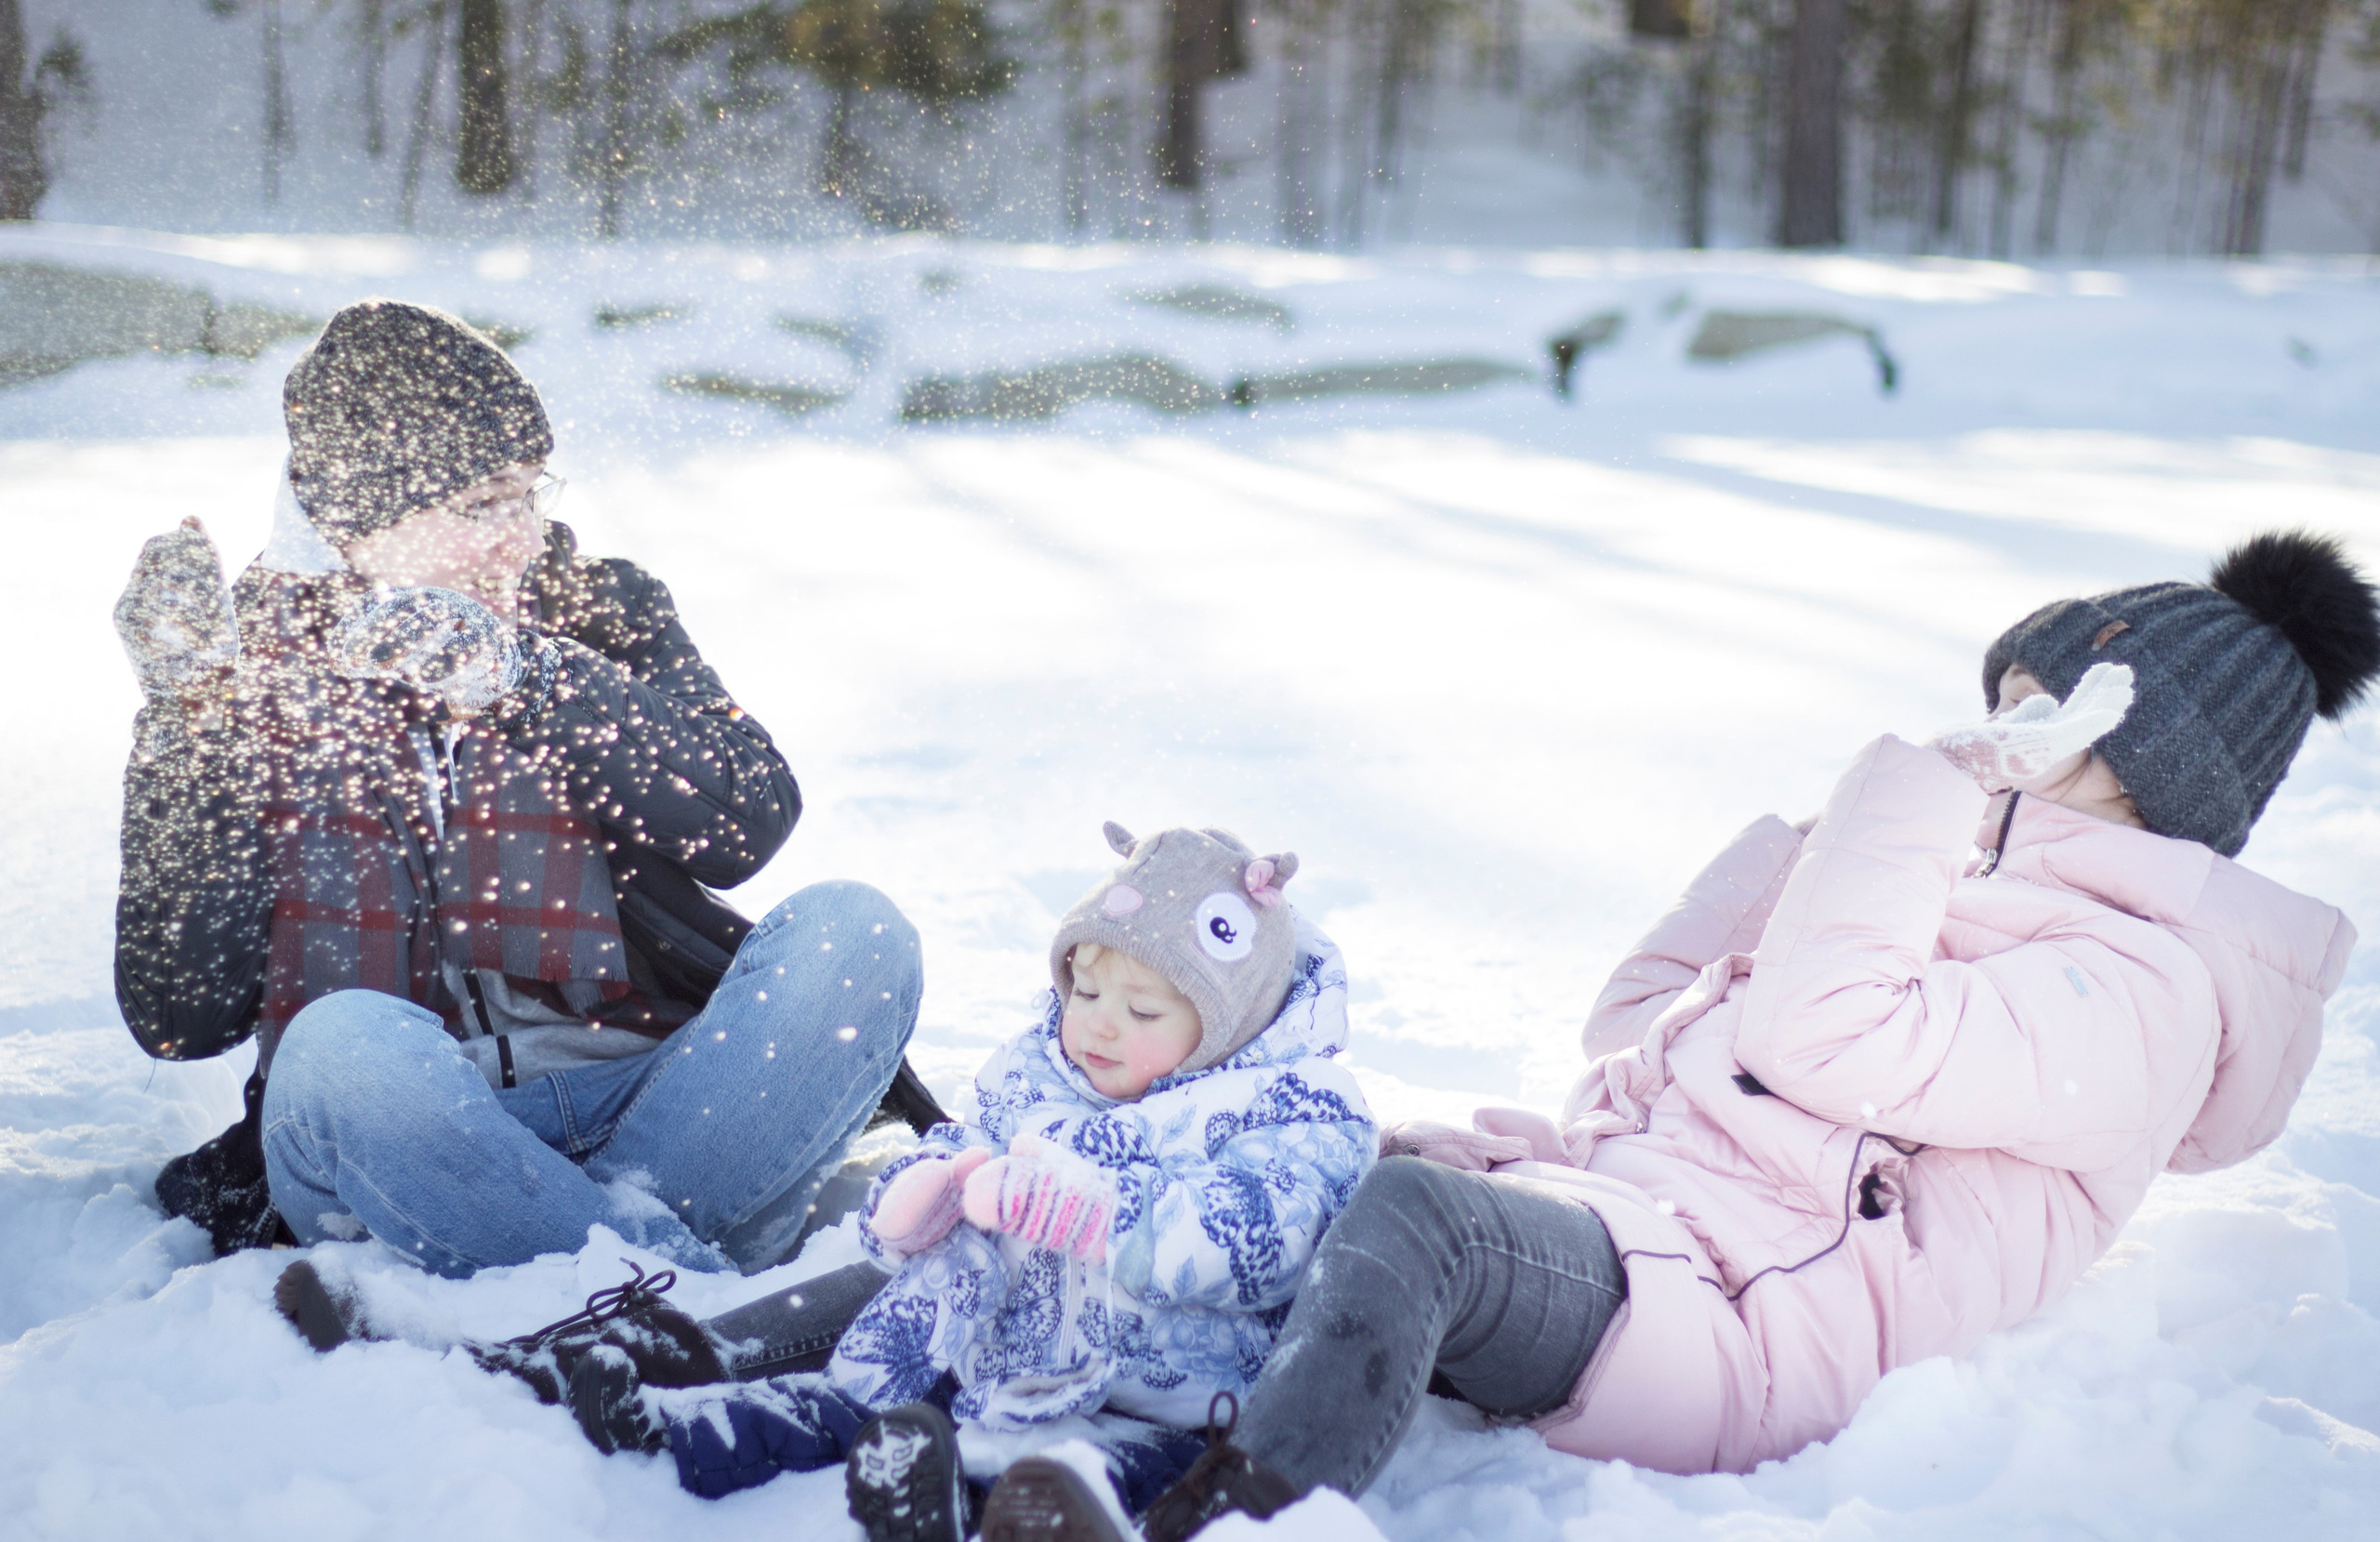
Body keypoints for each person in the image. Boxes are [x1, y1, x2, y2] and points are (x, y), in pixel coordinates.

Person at [1125, 530, 2376, 1541]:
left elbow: (1820, 1040)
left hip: (1736, 1321)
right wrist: (1836, 835)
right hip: (1625, 1217)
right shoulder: (1946, 872)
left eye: (2053, 704)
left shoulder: (2149, 997)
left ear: (2155, 764)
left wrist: (1918, 796)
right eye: (2006, 691)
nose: (2010, 718)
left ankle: (1236, 1525)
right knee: (1289, 1164)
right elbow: (1630, 1027)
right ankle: (1086, 1470)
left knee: (1412, 1215)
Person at [112, 298, 936, 1278]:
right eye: (480, 505)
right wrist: (185, 722)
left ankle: (581, 1277)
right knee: (339, 1045)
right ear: (356, 518)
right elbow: (182, 1013)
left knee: (858, 932)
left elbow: (747, 819)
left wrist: (531, 679)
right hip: (412, 1138)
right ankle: (676, 1285)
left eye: (529, 492)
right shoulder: (246, 668)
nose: (523, 534)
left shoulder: (593, 610)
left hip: (658, 1103)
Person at [542, 824, 1374, 1542]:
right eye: (1083, 990)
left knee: (1078, 1465)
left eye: (1144, 1011)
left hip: (1166, 1397)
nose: (1097, 1022)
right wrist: (920, 1193)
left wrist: (1095, 1215)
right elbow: (964, 1138)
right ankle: (683, 1430)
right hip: (985, 1343)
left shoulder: (1292, 1103)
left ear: (1226, 1019)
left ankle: (962, 1494)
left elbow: (1264, 1239)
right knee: (860, 1388)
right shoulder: (1043, 1065)